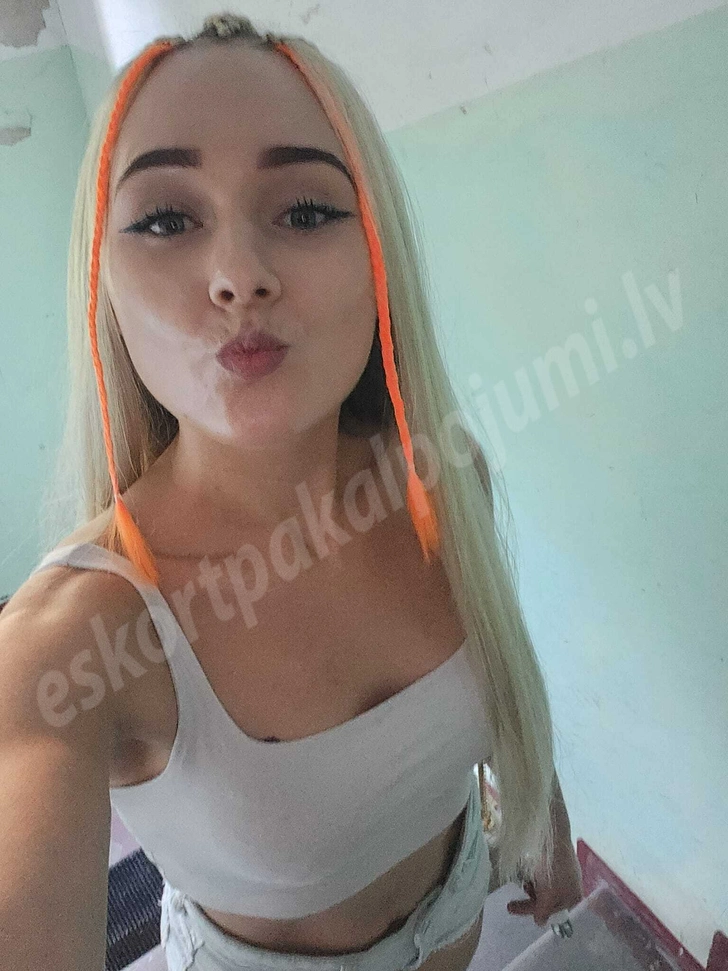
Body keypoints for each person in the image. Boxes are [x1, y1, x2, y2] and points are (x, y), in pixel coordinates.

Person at [0, 12, 583, 971]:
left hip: (460, 915)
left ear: (377, 251)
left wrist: (541, 816)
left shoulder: (444, 477)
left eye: (305, 211)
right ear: (103, 278)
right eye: (166, 219)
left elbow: (499, 668)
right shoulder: (67, 648)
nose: (239, 276)